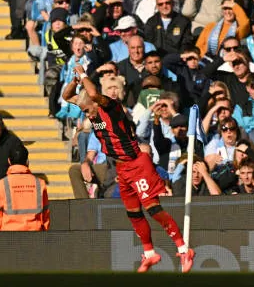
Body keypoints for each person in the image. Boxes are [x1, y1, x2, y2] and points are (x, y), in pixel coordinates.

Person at [62, 63, 195, 273]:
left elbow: (94, 93)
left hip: (137, 163)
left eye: (87, 109)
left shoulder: (111, 108)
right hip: (122, 169)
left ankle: (183, 249)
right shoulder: (91, 111)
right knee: (133, 213)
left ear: (96, 104)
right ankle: (150, 254)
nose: (86, 114)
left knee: (153, 209)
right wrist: (74, 81)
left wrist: (84, 73)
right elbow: (66, 95)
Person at [0, 144, 50, 231]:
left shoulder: (0, 185)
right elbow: (45, 215)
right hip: (36, 237)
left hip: (8, 238)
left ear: (9, 161)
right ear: (27, 162)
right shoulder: (40, 183)